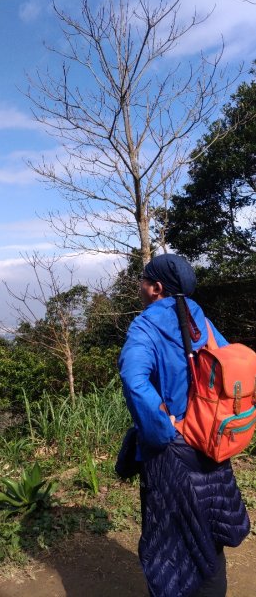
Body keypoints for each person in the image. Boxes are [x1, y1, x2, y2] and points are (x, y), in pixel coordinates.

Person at [118, 254, 250, 597]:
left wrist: (163, 428)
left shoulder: (146, 326)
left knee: (169, 544)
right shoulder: (200, 321)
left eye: (143, 280)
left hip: (172, 454)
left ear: (156, 289)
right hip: (210, 442)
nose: (140, 286)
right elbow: (228, 367)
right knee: (209, 536)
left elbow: (134, 379)